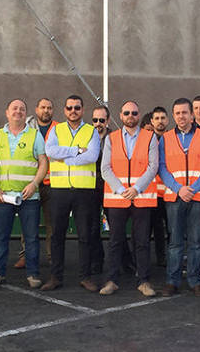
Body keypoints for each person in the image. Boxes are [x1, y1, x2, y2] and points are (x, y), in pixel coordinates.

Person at [41, 95, 102, 292]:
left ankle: (85, 277)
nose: (73, 111)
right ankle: (55, 277)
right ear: (65, 110)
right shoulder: (56, 130)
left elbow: (92, 155)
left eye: (77, 107)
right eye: (69, 108)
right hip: (59, 190)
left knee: (86, 235)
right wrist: (77, 151)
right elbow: (50, 151)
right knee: (57, 235)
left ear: (82, 110)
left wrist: (66, 158)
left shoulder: (91, 130)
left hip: (84, 191)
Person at [0, 99, 48, 289]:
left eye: (22, 109)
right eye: (14, 108)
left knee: (31, 238)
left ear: (26, 113)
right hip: (3, 196)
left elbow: (43, 162)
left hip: (29, 196)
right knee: (1, 237)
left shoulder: (35, 135)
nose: (18, 112)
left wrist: (34, 184)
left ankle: (33, 274)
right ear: (7, 112)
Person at [99, 101, 159, 296]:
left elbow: (153, 166)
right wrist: (120, 189)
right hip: (118, 198)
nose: (130, 115)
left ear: (139, 114)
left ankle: (144, 281)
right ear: (121, 115)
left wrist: (136, 188)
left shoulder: (150, 137)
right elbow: (105, 168)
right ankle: (112, 280)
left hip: (141, 197)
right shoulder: (112, 138)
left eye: (134, 112)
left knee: (141, 241)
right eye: (127, 113)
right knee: (115, 241)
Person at [158, 98, 200, 298]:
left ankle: (194, 281)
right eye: (177, 113)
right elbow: (162, 168)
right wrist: (178, 188)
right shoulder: (165, 139)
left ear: (192, 115)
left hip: (197, 197)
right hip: (175, 197)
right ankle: (172, 281)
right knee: (175, 242)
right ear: (173, 116)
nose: (181, 116)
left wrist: (192, 188)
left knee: (196, 241)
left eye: (185, 112)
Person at [16, 97, 58, 269]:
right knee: (28, 223)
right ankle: (26, 256)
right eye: (43, 107)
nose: (46, 110)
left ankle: (52, 256)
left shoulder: (59, 129)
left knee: (52, 225)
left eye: (49, 107)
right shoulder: (26, 128)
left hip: (51, 183)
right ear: (36, 109)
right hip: (31, 183)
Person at [90, 105, 110, 275]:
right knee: (92, 227)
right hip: (91, 188)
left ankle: (124, 261)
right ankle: (97, 261)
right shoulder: (87, 137)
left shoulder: (115, 138)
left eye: (101, 120)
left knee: (116, 228)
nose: (98, 124)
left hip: (111, 188)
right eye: (95, 120)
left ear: (108, 121)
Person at [148, 106, 169, 266]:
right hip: (151, 193)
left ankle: (165, 260)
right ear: (152, 121)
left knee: (170, 230)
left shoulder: (172, 139)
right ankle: (145, 262)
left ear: (167, 120)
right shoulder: (146, 140)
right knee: (150, 229)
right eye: (157, 118)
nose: (160, 121)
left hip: (169, 193)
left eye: (163, 118)